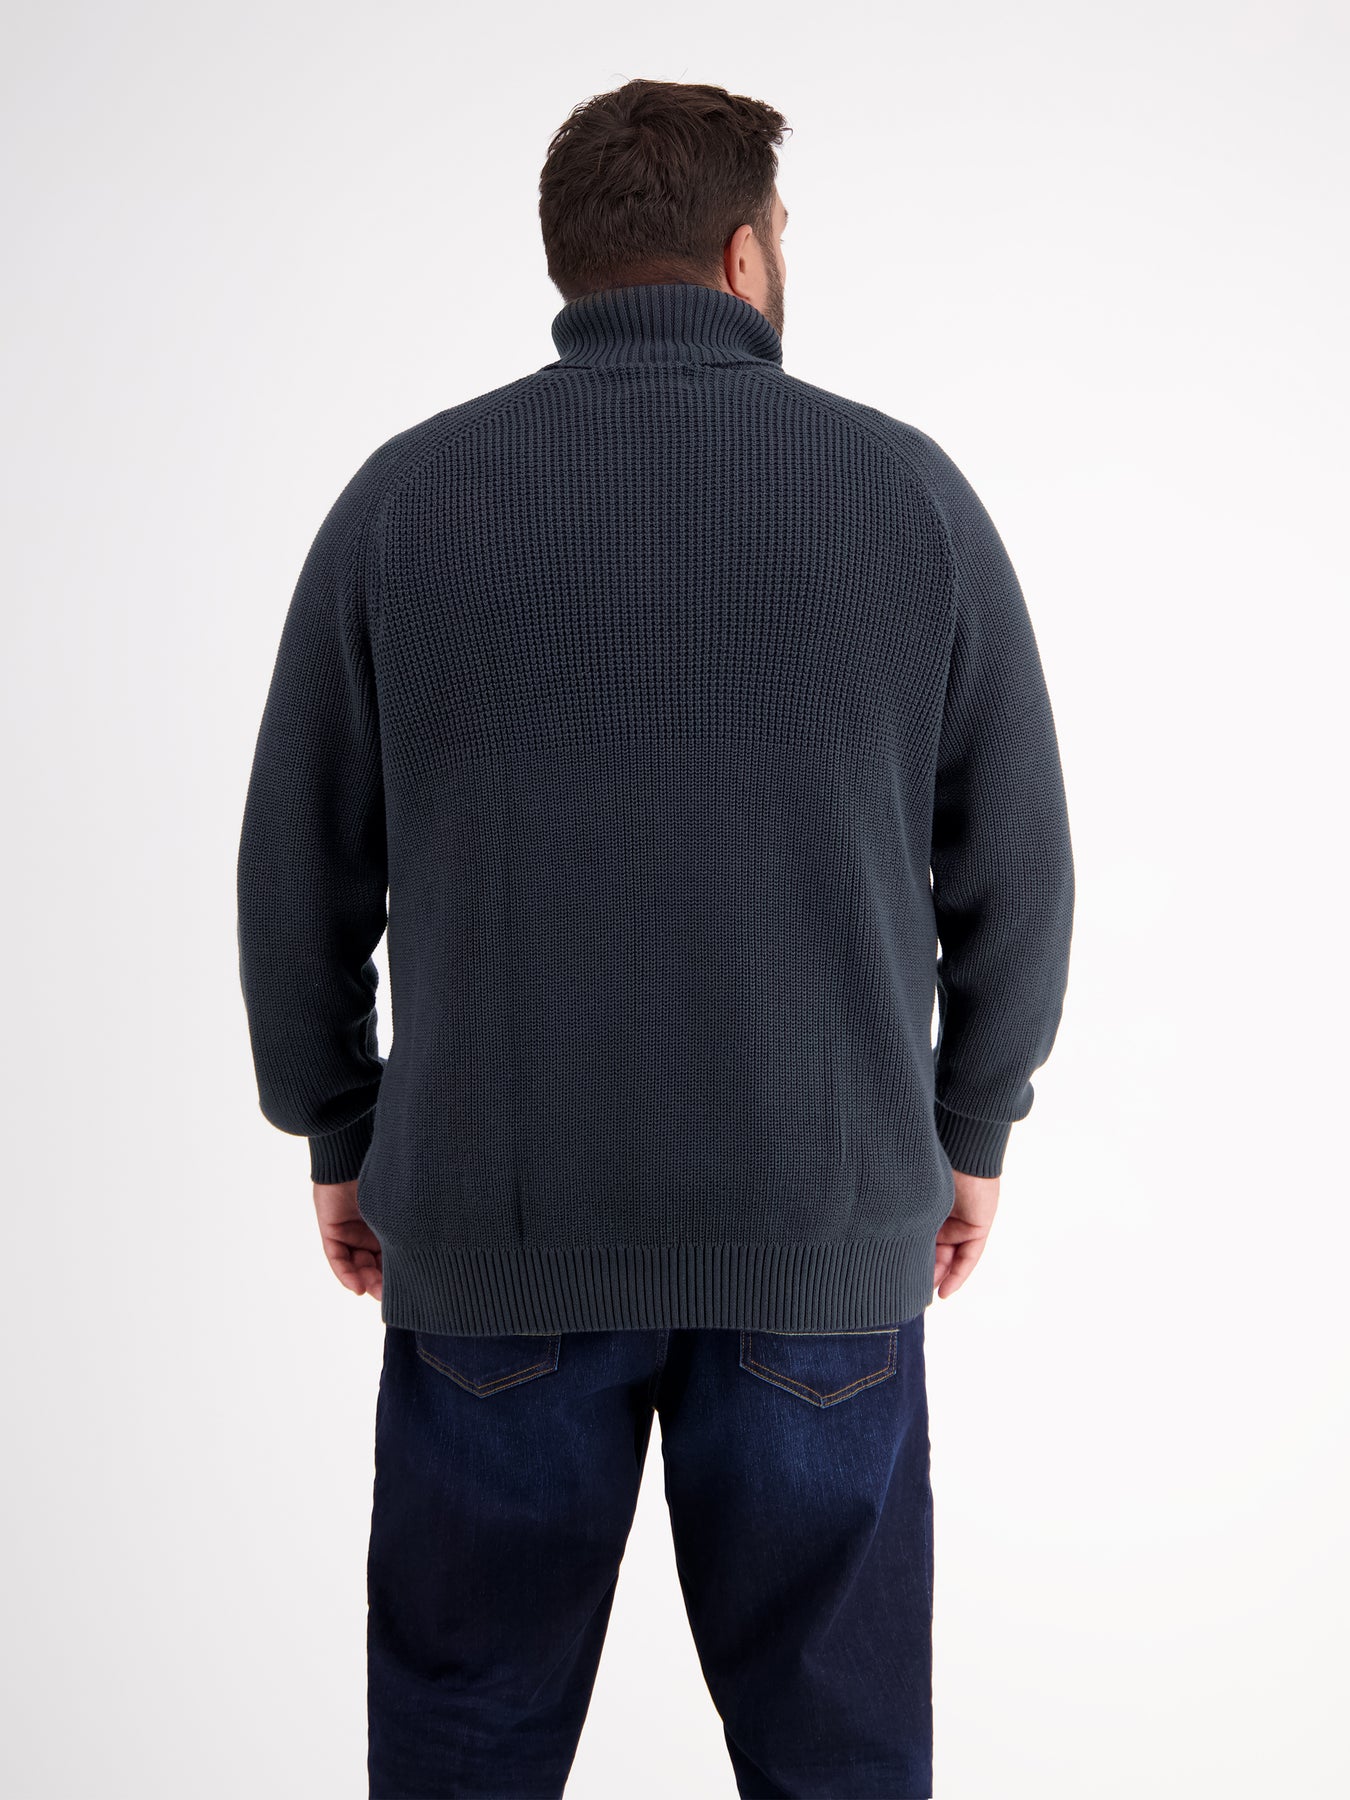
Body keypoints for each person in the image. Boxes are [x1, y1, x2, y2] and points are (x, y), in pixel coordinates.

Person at [236, 76, 1074, 1800]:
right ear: (746, 255)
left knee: (465, 1745)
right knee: (837, 1765)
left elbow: (296, 867)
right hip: (818, 1235)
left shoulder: (408, 500)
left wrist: (337, 1128)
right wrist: (970, 1126)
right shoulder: (903, 495)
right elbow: (1018, 865)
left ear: (572, 260)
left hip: (495, 1238)